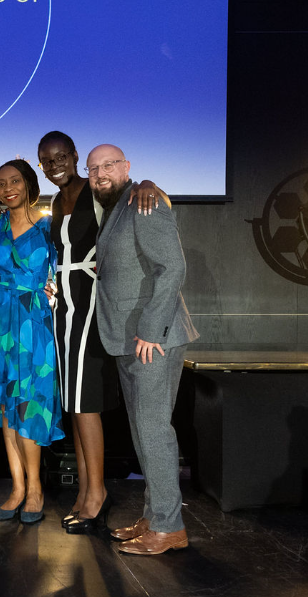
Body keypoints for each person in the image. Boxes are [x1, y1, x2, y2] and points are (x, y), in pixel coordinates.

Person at [36, 131, 161, 535]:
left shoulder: (99, 192)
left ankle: (97, 494)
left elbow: (136, 199)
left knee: (86, 401)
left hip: (93, 306)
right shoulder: (54, 202)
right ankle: (88, 490)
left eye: (61, 157)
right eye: (47, 160)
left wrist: (146, 184)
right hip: (65, 307)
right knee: (73, 402)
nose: (55, 165)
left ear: (74, 156)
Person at [89, 144, 198, 555]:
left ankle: (169, 528)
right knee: (143, 433)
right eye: (94, 168)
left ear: (127, 168)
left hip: (153, 339)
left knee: (154, 433)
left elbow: (172, 267)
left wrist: (151, 330)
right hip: (130, 337)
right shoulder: (119, 208)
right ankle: (155, 517)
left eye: (109, 165)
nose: (101, 173)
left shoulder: (143, 201)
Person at [0, 159, 63, 524]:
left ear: (28, 184)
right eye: (0, 183)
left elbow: (62, 273)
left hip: (34, 325)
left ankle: (36, 488)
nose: (7, 188)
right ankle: (17, 487)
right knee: (8, 410)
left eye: (14, 181)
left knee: (29, 405)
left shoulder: (48, 227)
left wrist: (54, 290)